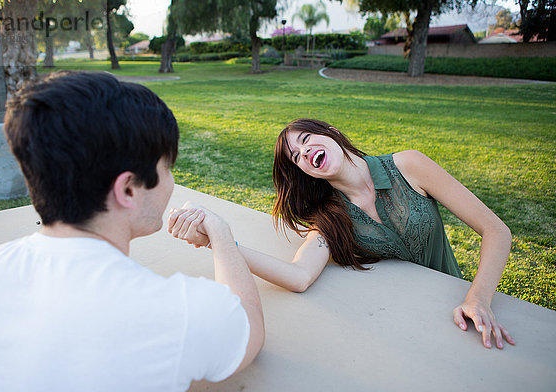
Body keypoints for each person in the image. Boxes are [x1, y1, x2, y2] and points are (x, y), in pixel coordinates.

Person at [0, 71, 264, 392]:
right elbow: (250, 325)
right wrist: (221, 232)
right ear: (128, 189)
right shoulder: (173, 314)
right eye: (167, 169)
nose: (171, 182)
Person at [168, 118, 515, 350]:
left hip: (464, 309)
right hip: (409, 333)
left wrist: (478, 299)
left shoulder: (410, 166)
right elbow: (298, 276)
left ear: (330, 132)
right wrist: (219, 240)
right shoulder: (331, 219)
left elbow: (496, 231)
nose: (304, 152)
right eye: (296, 157)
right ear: (305, 171)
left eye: (306, 140)